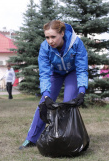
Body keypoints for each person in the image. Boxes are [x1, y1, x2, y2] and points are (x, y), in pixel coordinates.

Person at [19, 20, 88, 150]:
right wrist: (46, 95)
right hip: (55, 73)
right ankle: (31, 139)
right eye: (47, 37)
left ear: (62, 33)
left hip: (72, 73)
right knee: (43, 104)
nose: (50, 41)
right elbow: (44, 73)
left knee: (68, 103)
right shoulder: (45, 47)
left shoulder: (76, 43)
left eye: (53, 37)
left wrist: (82, 91)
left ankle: (65, 137)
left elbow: (81, 69)